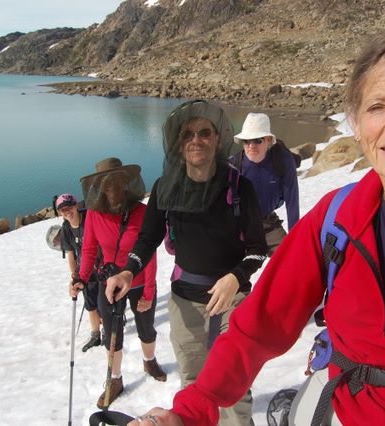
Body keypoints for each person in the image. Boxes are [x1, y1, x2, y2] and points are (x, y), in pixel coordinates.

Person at [127, 29, 385, 425]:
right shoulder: (337, 219)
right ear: (356, 122)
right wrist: (191, 409)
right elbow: (256, 327)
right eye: (378, 106)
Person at [106, 100, 268, 425]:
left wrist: (235, 277)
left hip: (232, 299)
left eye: (204, 133)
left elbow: (257, 250)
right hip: (184, 301)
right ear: (178, 143)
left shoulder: (240, 188)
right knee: (193, 383)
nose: (196, 140)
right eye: (188, 134)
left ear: (217, 139)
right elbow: (148, 239)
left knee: (233, 384)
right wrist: (128, 272)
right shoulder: (166, 188)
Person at [69, 158, 166, 409]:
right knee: (112, 333)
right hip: (109, 283)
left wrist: (149, 291)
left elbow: (150, 252)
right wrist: (81, 278)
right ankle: (115, 379)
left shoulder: (142, 212)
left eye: (117, 182)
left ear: (126, 183)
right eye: (107, 184)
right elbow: (89, 249)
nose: (112, 188)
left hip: (140, 281)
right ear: (100, 187)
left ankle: (149, 362)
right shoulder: (94, 213)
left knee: (146, 329)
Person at [230, 112, 300, 255]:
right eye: (246, 141)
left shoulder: (283, 161)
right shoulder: (234, 165)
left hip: (269, 225)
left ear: (268, 140)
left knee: (291, 258)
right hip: (241, 227)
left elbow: (292, 202)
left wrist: (295, 238)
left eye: (257, 140)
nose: (251, 146)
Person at [55, 193, 101, 351]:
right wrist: (75, 276)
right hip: (85, 272)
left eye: (69, 207)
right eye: (63, 210)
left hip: (101, 266)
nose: (67, 212)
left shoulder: (89, 219)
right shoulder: (66, 229)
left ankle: (109, 328)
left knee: (104, 302)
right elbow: (71, 254)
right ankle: (96, 335)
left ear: (76, 206)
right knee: (91, 305)